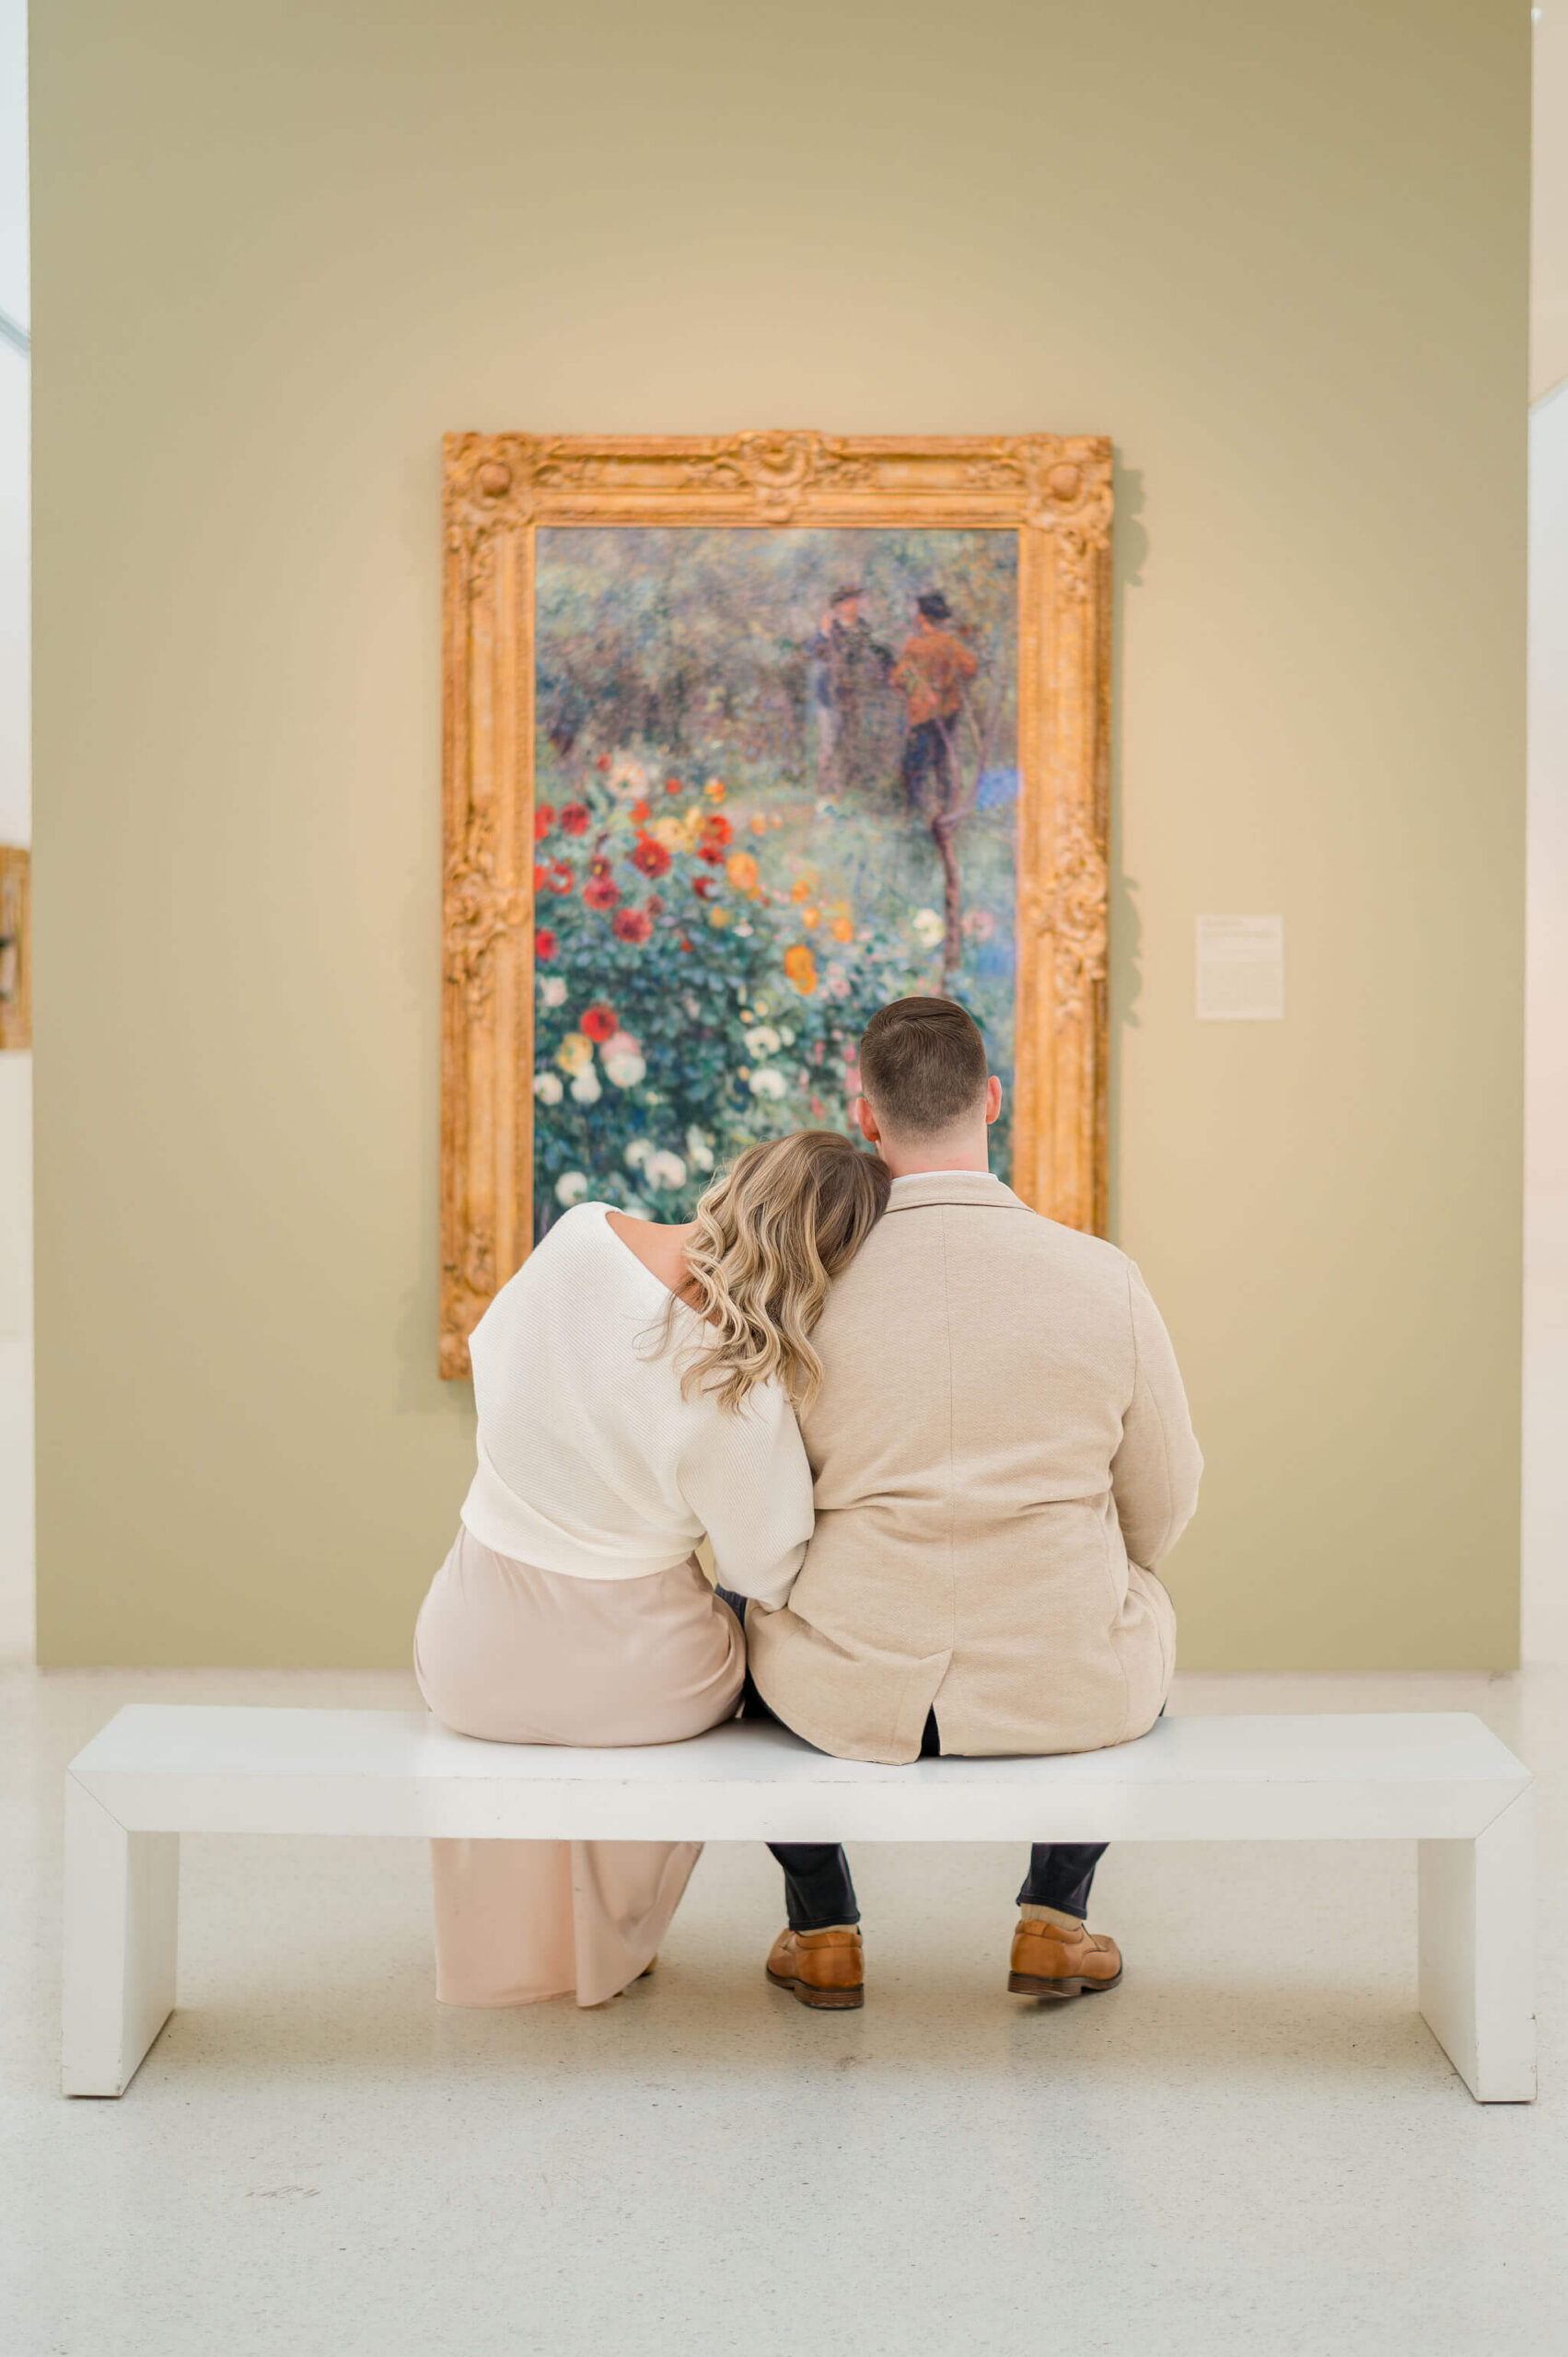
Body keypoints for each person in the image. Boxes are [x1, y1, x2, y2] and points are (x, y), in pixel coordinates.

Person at [736, 997, 1202, 2012]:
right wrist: (1109, 1568)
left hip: (849, 1687)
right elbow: (1163, 1502)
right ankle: (1055, 1916)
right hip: (1062, 1679)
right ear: (990, 1099)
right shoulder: (1103, 1279)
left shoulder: (804, 1286)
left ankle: (821, 1928)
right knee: (1139, 1599)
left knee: (741, 1616)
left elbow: (762, 1514)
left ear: (867, 1116)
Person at [413, 1130, 891, 2008]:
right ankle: (636, 1942)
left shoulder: (579, 1237)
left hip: (467, 1653)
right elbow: (768, 1567)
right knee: (754, 1650)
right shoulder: (744, 1384)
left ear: (744, 1178)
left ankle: (508, 1955)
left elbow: (492, 1354)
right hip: (635, 1686)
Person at [892, 591, 978, 813]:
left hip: (923, 715)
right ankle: (944, 806)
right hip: (948, 712)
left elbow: (899, 677)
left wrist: (920, 689)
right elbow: (970, 668)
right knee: (940, 762)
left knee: (914, 766)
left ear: (922, 617)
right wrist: (949, 681)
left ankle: (912, 811)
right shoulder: (951, 644)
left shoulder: (914, 646)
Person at [809, 585, 891, 794]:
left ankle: (847, 787)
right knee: (830, 742)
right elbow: (818, 653)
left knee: (851, 741)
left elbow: (878, 655)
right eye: (847, 602)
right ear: (838, 607)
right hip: (830, 695)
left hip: (854, 694)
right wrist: (825, 634)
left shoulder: (864, 629)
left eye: (855, 600)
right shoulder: (831, 630)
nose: (853, 605)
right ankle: (825, 789)